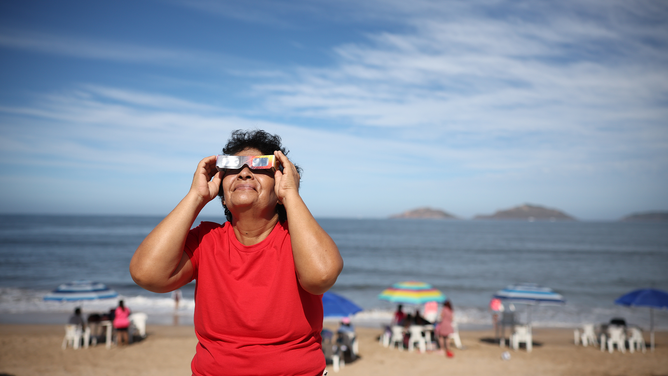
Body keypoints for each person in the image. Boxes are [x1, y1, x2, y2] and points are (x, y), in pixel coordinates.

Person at [130, 129, 343, 376]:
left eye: (260, 166)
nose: (244, 172)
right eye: (233, 168)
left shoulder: (298, 242)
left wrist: (292, 195)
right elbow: (146, 274)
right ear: (221, 195)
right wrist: (196, 196)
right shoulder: (206, 240)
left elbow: (322, 276)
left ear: (280, 187)